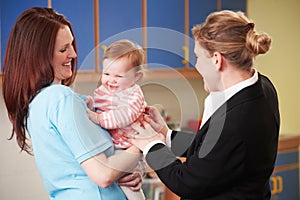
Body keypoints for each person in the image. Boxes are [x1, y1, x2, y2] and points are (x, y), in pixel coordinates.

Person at [130, 10, 280, 200]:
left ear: (217, 60)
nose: (197, 65)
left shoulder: (236, 119)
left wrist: (151, 145)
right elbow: (213, 151)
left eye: (198, 58)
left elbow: (187, 182)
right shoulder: (262, 86)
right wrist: (166, 135)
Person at [2, 7, 143, 200]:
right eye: (63, 49)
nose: (74, 54)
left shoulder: (38, 102)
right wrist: (142, 144)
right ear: (39, 57)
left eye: (71, 45)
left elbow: (86, 170)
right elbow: (103, 175)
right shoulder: (62, 99)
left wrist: (124, 172)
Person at [87, 39, 147, 200]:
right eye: (106, 73)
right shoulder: (102, 90)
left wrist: (98, 118)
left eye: (119, 76)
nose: (111, 80)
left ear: (136, 77)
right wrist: (90, 104)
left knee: (130, 187)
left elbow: (125, 116)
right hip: (113, 146)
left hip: (128, 148)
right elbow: (98, 106)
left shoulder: (134, 94)